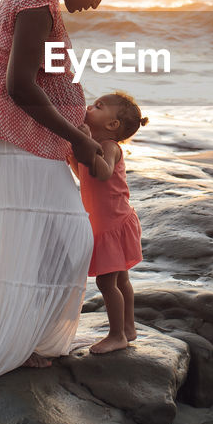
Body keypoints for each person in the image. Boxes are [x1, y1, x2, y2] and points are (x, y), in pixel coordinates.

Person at [0, 0, 123, 401]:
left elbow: (39, 79)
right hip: (9, 136)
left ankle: (25, 341)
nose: (97, 3)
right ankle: (19, 342)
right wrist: (81, 138)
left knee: (37, 242)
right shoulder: (35, 0)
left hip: (20, 138)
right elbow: (20, 86)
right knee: (70, 239)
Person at [68, 92, 149, 355]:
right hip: (113, 219)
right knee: (122, 279)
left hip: (111, 224)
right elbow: (84, 175)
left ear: (112, 125)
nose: (90, 107)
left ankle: (117, 336)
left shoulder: (110, 147)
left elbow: (102, 173)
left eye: (98, 106)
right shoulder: (96, 143)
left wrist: (83, 143)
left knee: (107, 283)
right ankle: (129, 328)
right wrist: (75, 153)